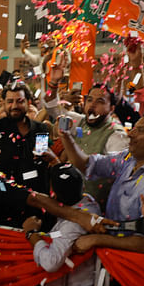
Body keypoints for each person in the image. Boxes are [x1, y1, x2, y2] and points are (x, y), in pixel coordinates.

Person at [62, 111, 144, 252]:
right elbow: (88, 165)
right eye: (134, 128)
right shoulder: (128, 158)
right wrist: (66, 137)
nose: (130, 134)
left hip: (136, 266)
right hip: (112, 256)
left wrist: (97, 239)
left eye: (140, 130)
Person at [43, 77, 128, 207]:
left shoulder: (117, 136)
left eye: (100, 101)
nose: (92, 105)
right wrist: (54, 83)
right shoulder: (79, 122)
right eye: (89, 100)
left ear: (111, 109)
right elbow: (52, 108)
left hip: (94, 210)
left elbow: (118, 174)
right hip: (69, 202)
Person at [0, 81, 52, 193]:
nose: (15, 106)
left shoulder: (40, 129)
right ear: (4, 104)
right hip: (5, 194)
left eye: (20, 101)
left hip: (36, 193)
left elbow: (41, 158)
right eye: (10, 101)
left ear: (29, 102)